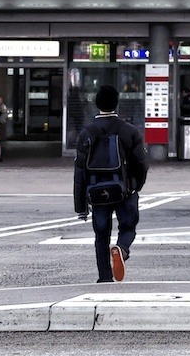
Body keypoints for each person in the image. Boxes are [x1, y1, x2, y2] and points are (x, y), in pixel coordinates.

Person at [72, 84, 148, 285]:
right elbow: (141, 163)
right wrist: (135, 186)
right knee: (128, 227)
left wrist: (80, 206)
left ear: (97, 104)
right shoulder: (128, 131)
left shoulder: (87, 133)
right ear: (117, 103)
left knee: (101, 235)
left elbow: (80, 172)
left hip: (97, 190)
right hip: (124, 188)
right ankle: (121, 249)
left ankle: (104, 277)